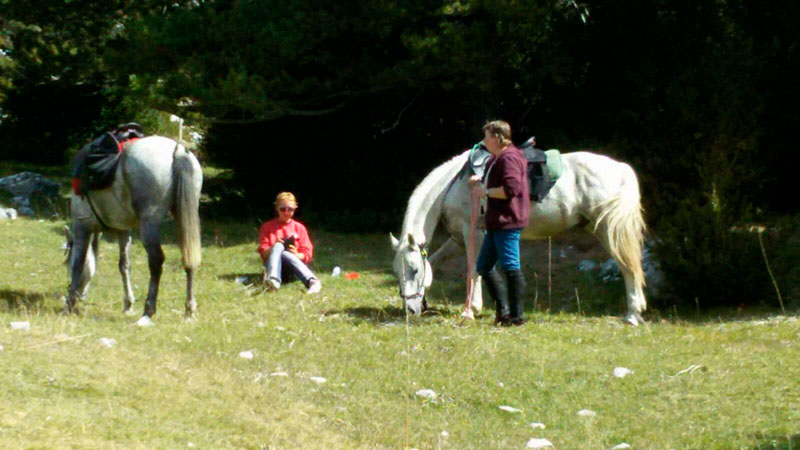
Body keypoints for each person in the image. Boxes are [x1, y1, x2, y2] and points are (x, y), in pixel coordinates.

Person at [469, 120, 530, 326]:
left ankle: (516, 317)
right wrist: (478, 182)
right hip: (495, 222)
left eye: (486, 136)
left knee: (511, 267)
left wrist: (484, 192)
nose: (484, 140)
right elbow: (491, 182)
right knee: (484, 266)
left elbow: (510, 189)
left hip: (508, 221)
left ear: (497, 137)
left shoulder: (510, 158)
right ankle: (503, 312)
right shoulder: (496, 158)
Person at [257, 192, 322, 294]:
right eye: (283, 209)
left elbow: (307, 253)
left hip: (293, 269)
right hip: (272, 266)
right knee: (279, 246)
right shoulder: (267, 227)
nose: (286, 212)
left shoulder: (299, 228)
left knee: (285, 253)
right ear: (277, 208)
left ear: (295, 209)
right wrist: (274, 248)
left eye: (290, 209)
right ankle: (274, 279)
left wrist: (296, 254)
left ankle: (311, 281)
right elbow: (263, 254)